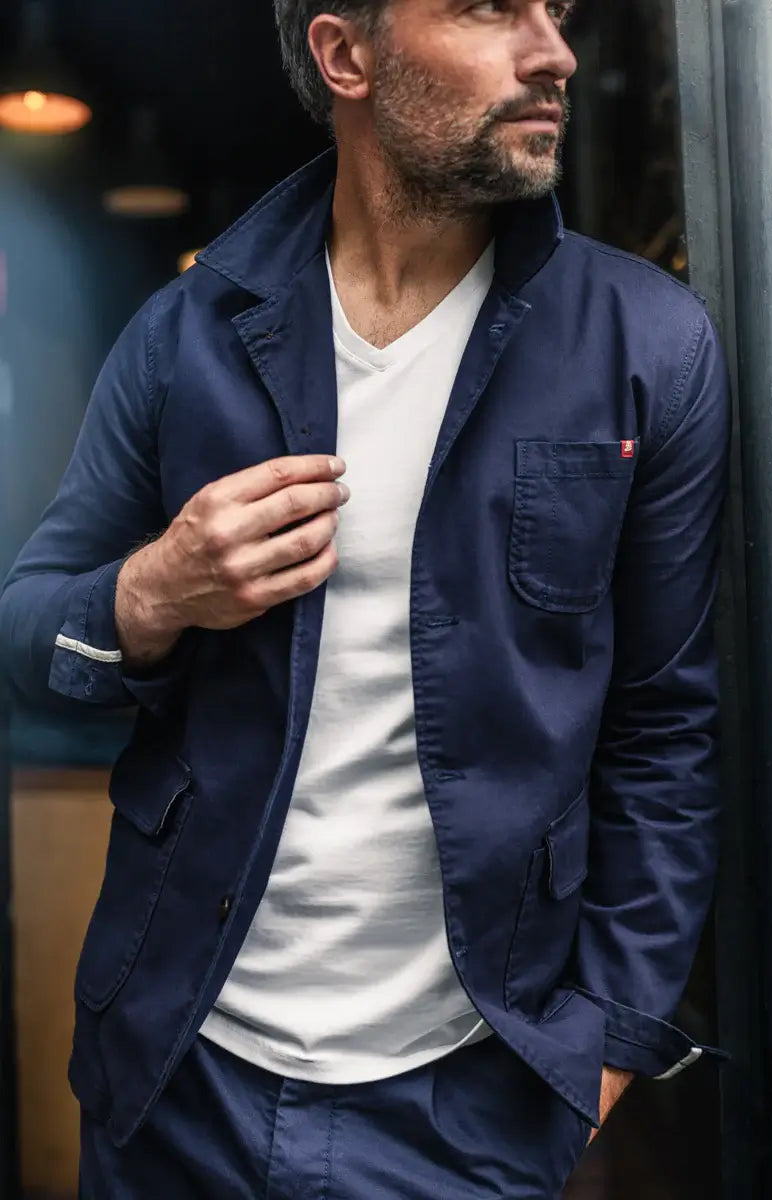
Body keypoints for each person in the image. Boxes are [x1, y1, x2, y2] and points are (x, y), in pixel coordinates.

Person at [0, 1, 730, 1196]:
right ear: (346, 56)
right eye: (493, 10)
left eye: (557, 12)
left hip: (470, 1106)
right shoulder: (184, 339)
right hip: (177, 1077)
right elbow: (30, 628)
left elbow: (666, 732)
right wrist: (157, 587)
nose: (552, 52)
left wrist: (604, 1044)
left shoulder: (646, 344)